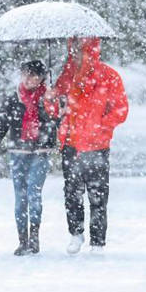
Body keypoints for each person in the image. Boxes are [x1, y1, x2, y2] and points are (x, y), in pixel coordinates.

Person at [46, 37, 128, 255]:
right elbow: (55, 111)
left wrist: (100, 128)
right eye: (72, 50)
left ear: (90, 51)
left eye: (79, 50)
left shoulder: (108, 76)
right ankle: (76, 232)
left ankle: (98, 241)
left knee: (98, 194)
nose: (75, 55)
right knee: (72, 193)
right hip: (70, 144)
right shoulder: (67, 76)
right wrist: (50, 99)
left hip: (96, 145)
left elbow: (121, 110)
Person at [0, 60, 58, 256]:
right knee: (20, 198)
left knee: (34, 192)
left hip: (40, 153)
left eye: (33, 75)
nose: (29, 78)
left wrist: (52, 104)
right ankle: (22, 240)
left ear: (42, 78)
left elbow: (59, 121)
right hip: (18, 153)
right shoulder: (13, 99)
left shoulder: (48, 99)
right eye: (25, 74)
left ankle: (34, 237)